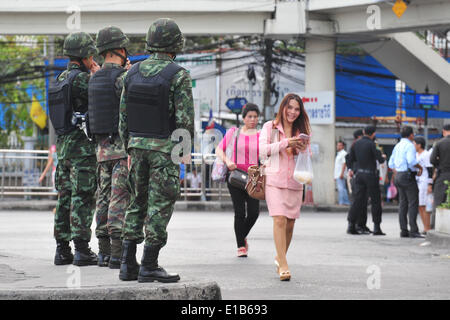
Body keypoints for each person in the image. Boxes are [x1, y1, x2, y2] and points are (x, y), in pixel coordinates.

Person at [118, 18, 194, 283]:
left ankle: (127, 264)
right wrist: (183, 155)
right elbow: (184, 121)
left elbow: (123, 119)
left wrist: (130, 147)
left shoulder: (131, 73)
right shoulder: (178, 74)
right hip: (164, 151)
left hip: (136, 147)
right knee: (160, 205)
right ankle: (149, 263)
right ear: (175, 44)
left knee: (136, 202)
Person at [49, 32, 99, 266]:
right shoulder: (82, 79)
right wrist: (97, 75)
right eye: (91, 55)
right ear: (85, 55)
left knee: (65, 197)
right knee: (83, 197)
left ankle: (62, 250)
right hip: (82, 148)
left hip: (63, 147)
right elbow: (101, 95)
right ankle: (81, 249)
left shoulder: (60, 78)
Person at [89, 26, 131, 269]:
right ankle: (117, 254)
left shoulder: (94, 78)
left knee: (103, 199)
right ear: (120, 50)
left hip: (101, 150)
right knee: (119, 200)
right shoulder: (122, 78)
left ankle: (103, 252)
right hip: (120, 150)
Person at [259, 93, 310, 281]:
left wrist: (303, 148)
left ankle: (279, 257)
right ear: (283, 108)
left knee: (290, 224)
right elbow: (263, 150)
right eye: (290, 108)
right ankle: (284, 263)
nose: (293, 112)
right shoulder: (270, 127)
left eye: (297, 109)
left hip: (295, 181)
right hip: (274, 179)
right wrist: (286, 142)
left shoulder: (301, 130)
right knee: (279, 219)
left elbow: (307, 155)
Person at [215, 103, 261, 258]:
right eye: (250, 116)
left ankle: (242, 235)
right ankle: (241, 246)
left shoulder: (261, 135)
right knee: (239, 212)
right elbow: (218, 149)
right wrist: (228, 161)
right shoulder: (233, 133)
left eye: (255, 116)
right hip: (235, 177)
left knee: (254, 213)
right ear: (243, 118)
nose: (253, 119)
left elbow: (267, 154)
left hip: (254, 178)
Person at [346, 126, 386, 236]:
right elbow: (380, 159)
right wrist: (383, 156)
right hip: (370, 175)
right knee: (375, 201)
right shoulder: (372, 144)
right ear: (373, 134)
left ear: (363, 132)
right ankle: (377, 227)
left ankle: (351, 225)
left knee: (357, 201)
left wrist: (351, 169)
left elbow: (349, 158)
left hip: (358, 175)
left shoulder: (356, 144)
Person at [388, 126, 424, 238]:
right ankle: (413, 230)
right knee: (413, 203)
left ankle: (403, 230)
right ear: (411, 135)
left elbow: (390, 164)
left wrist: (398, 169)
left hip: (398, 175)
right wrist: (420, 167)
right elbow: (411, 161)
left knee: (403, 203)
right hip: (407, 176)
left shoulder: (397, 146)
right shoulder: (410, 146)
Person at [346, 129, 371, 234]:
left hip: (360, 175)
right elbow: (348, 158)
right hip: (358, 176)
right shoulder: (357, 145)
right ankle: (355, 224)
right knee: (358, 201)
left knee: (363, 202)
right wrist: (351, 169)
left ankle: (361, 224)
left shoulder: (358, 145)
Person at [430, 124, 450, 229]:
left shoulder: (439, 143)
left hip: (443, 174)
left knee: (438, 201)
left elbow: (432, 160)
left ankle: (434, 226)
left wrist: (440, 164)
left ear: (444, 131)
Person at [414, 137, 432, 234]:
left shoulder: (426, 155)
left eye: (414, 144)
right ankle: (425, 227)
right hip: (417, 181)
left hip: (424, 182)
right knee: (419, 206)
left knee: (424, 205)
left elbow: (430, 170)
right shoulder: (415, 154)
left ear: (419, 145)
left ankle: (427, 227)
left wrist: (430, 184)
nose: (413, 146)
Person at [334, 141, 350, 205]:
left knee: (341, 189)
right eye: (337, 145)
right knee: (342, 188)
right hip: (337, 174)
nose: (338, 146)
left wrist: (341, 174)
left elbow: (344, 164)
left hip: (341, 174)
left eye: (340, 145)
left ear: (343, 146)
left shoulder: (344, 153)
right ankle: (345, 201)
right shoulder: (339, 154)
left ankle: (343, 202)